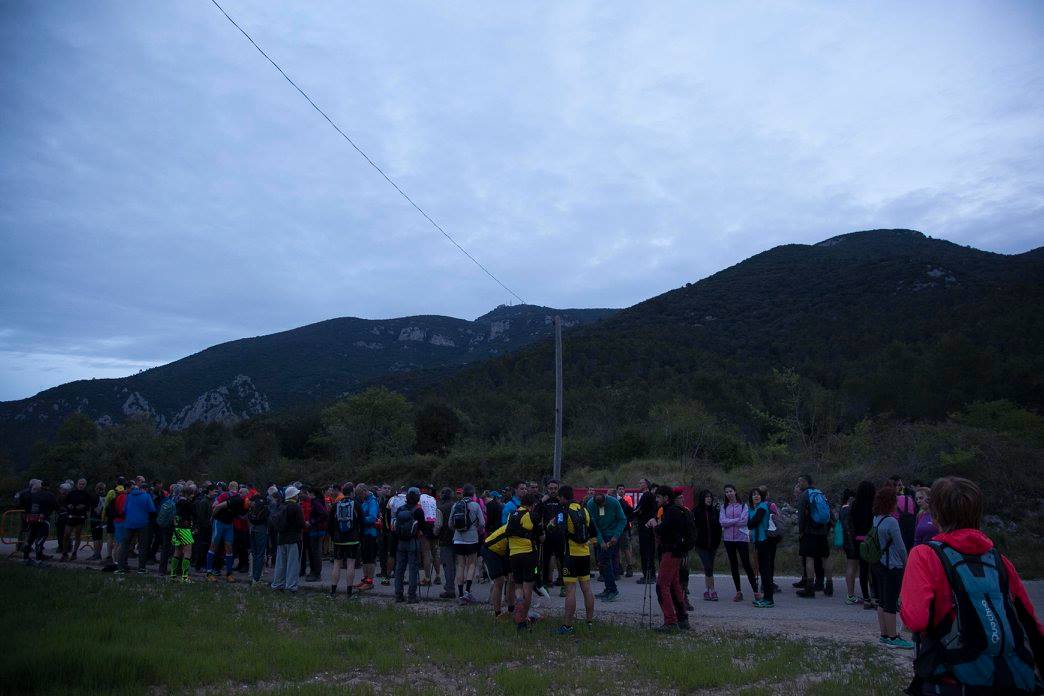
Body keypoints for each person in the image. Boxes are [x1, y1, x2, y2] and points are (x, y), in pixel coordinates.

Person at [901, 477, 1042, 694]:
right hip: (1010, 677)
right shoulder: (999, 560)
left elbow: (916, 619)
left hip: (952, 678)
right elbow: (1030, 623)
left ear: (935, 513)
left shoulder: (924, 555)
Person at [869, 485, 913, 649]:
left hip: (878, 564)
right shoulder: (891, 522)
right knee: (891, 602)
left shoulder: (876, 519)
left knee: (882, 601)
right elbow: (901, 547)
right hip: (892, 565)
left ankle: (884, 634)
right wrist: (907, 562)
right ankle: (893, 637)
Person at [553, 485, 596, 635]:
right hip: (585, 554)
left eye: (559, 497)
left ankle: (567, 625)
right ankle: (590, 622)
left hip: (571, 555)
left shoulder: (563, 511)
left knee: (570, 590)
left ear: (563, 497)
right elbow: (593, 531)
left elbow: (559, 531)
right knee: (587, 589)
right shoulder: (584, 510)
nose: (559, 500)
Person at [651, 486, 691, 631]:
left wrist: (655, 525)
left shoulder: (670, 511)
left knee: (662, 586)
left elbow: (663, 530)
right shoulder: (677, 511)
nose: (656, 500)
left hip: (670, 551)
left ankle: (670, 621)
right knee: (674, 586)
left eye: (658, 497)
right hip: (677, 552)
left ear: (666, 498)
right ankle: (682, 618)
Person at [506, 492, 541, 631]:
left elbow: (508, 532)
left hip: (514, 555)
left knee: (518, 585)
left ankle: (519, 601)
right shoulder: (531, 515)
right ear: (532, 505)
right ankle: (523, 619)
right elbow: (541, 536)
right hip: (529, 554)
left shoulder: (512, 514)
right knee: (528, 587)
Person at [719, 483, 758, 602]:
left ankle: (756, 591)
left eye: (730, 491)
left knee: (746, 564)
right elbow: (722, 522)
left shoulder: (743, 506)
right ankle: (738, 591)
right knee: (733, 565)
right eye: (726, 492)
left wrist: (729, 521)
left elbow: (744, 521)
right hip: (728, 539)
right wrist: (735, 520)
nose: (729, 494)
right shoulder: (724, 507)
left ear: (735, 492)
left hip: (741, 538)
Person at [793, 474, 830, 598]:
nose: (798, 484)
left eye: (799, 482)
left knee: (809, 558)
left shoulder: (804, 495)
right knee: (825, 558)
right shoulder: (820, 493)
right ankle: (829, 586)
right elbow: (828, 513)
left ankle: (809, 588)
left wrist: (801, 531)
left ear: (805, 482)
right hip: (823, 531)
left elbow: (801, 517)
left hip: (810, 531)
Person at [586, 490, 625, 602]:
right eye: (598, 505)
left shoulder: (614, 502)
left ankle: (612, 590)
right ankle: (608, 589)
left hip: (611, 534)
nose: (601, 507)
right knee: (602, 561)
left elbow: (622, 519)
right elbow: (593, 524)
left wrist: (616, 536)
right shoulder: (590, 504)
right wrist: (600, 540)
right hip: (600, 535)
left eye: (602, 505)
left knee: (605, 561)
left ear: (605, 499)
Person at [451, 483, 485, 605]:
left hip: (458, 539)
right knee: (471, 565)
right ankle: (467, 592)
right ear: (473, 494)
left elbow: (450, 524)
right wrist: (477, 530)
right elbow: (482, 523)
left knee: (460, 565)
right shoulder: (475, 505)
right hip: (472, 539)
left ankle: (460, 594)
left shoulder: (456, 505)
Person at [327, 483, 361, 599]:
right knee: (350, 564)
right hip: (352, 539)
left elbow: (330, 523)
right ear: (352, 493)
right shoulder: (356, 504)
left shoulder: (336, 505)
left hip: (338, 540)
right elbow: (361, 521)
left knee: (337, 564)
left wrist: (333, 536)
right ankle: (349, 592)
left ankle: (333, 591)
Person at [207, 481, 245, 582]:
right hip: (220, 522)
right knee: (215, 546)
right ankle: (209, 572)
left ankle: (228, 573)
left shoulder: (239, 498)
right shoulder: (225, 495)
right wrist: (213, 517)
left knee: (228, 547)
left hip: (228, 524)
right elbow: (215, 506)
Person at [392, 487, 425, 603]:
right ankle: (412, 596)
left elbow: (395, 526)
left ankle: (398, 595)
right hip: (413, 542)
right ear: (417, 497)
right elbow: (423, 527)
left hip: (400, 542)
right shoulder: (418, 510)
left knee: (399, 569)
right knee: (413, 569)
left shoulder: (400, 509)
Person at [117, 480, 156, 575]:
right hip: (143, 523)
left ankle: (122, 567)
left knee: (125, 545)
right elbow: (152, 509)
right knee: (143, 546)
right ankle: (141, 568)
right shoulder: (146, 496)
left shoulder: (129, 496)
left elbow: (124, 510)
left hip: (129, 523)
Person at [747, 487, 777, 608]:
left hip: (764, 541)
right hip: (758, 541)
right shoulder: (753, 508)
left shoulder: (763, 507)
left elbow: (752, 523)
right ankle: (766, 598)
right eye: (753, 494)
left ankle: (769, 599)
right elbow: (751, 523)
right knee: (763, 570)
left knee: (765, 571)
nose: (756, 496)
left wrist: (751, 522)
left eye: (758, 494)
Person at [271, 487, 304, 593]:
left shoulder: (281, 506)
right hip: (293, 539)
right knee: (292, 564)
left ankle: (277, 584)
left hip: (281, 538)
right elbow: (300, 523)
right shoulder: (295, 507)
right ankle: (291, 586)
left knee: (280, 563)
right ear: (294, 496)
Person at [850, 481, 876, 608]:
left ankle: (866, 597)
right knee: (875, 568)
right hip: (872, 539)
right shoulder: (874, 505)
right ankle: (875, 596)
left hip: (859, 540)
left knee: (863, 569)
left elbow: (852, 523)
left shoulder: (855, 505)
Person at [692, 489, 722, 601]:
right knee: (708, 566)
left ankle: (707, 590)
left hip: (713, 544)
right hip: (701, 545)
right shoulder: (695, 511)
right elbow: (692, 528)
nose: (709, 499)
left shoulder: (714, 511)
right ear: (702, 498)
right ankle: (712, 589)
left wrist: (717, 541)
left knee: (710, 568)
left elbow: (719, 527)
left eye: (710, 497)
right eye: (706, 497)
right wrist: (695, 540)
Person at [21, 480, 56, 564]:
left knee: (31, 538)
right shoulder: (49, 495)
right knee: (40, 539)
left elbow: (26, 506)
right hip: (43, 519)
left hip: (32, 519)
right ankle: (38, 559)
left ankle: (25, 557)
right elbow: (55, 506)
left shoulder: (32, 495)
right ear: (48, 487)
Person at [481, 521, 511, 619]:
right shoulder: (513, 530)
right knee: (499, 580)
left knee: (511, 578)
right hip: (490, 550)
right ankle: (497, 613)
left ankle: (511, 610)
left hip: (501, 550)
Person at [837, 489, 862, 605]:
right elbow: (849, 528)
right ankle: (850, 594)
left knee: (850, 566)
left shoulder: (842, 509)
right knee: (852, 566)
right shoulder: (848, 509)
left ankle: (850, 594)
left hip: (846, 541)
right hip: (852, 541)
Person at [539, 479, 565, 590]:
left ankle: (562, 579)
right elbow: (535, 514)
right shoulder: (543, 500)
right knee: (546, 558)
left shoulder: (561, 500)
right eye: (551, 488)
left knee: (561, 558)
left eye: (555, 488)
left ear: (558, 489)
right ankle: (546, 580)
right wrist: (541, 501)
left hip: (559, 534)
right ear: (547, 489)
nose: (553, 491)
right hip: (547, 534)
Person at [59, 478, 91, 562]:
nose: (81, 485)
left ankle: (74, 553)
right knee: (66, 534)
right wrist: (68, 505)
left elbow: (88, 506)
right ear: (77, 484)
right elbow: (65, 502)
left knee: (77, 535)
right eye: (80, 483)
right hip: (70, 516)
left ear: (85, 485)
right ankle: (64, 553)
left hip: (80, 517)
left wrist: (83, 506)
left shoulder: (87, 494)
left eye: (83, 484)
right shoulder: (72, 493)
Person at [635, 478, 659, 584]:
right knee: (648, 551)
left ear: (646, 485)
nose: (639, 485)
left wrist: (628, 517)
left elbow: (637, 510)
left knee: (646, 552)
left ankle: (648, 576)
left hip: (645, 528)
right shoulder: (648, 496)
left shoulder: (646, 495)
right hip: (647, 527)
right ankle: (651, 575)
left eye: (641, 483)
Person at [170, 483, 195, 581]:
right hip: (185, 529)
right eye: (192, 494)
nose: (193, 495)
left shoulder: (177, 502)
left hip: (176, 529)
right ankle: (185, 577)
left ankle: (173, 575)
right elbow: (194, 514)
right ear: (189, 494)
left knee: (177, 551)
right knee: (188, 551)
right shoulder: (188, 504)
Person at [357, 484, 380, 591]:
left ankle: (370, 581)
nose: (359, 497)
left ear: (365, 491)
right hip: (364, 533)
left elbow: (372, 517)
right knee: (365, 558)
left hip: (371, 533)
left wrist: (359, 519)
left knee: (370, 559)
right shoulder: (365, 501)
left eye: (360, 494)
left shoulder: (372, 501)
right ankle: (365, 579)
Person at [436, 487, 457, 599]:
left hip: (444, 539)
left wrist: (434, 533)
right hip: (457, 538)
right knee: (454, 565)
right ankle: (452, 587)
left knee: (447, 565)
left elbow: (438, 525)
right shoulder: (456, 505)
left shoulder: (440, 508)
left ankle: (450, 589)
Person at [612, 484, 636, 577]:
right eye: (620, 489)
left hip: (624, 529)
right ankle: (619, 567)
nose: (621, 490)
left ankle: (629, 567)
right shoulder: (614, 501)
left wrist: (626, 521)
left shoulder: (624, 502)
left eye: (623, 489)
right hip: (614, 529)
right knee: (616, 549)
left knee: (626, 549)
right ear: (617, 491)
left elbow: (632, 512)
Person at [247, 490, 270, 584]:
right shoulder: (264, 506)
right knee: (260, 554)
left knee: (255, 553)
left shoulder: (252, 507)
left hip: (253, 529)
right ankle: (257, 578)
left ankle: (253, 576)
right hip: (262, 530)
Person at [89, 481, 107, 561]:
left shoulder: (94, 496)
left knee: (95, 537)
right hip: (102, 519)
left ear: (96, 488)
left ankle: (96, 554)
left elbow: (91, 507)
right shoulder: (106, 496)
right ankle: (98, 553)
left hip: (94, 518)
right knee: (100, 537)